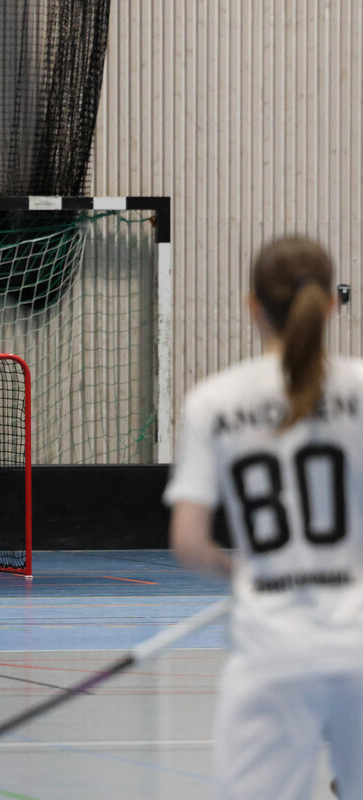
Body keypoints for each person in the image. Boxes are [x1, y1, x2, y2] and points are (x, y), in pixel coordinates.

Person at [164, 236, 363, 800]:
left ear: (252, 306)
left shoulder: (214, 401)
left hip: (271, 651)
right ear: (332, 304)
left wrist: (248, 573)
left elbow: (189, 542)